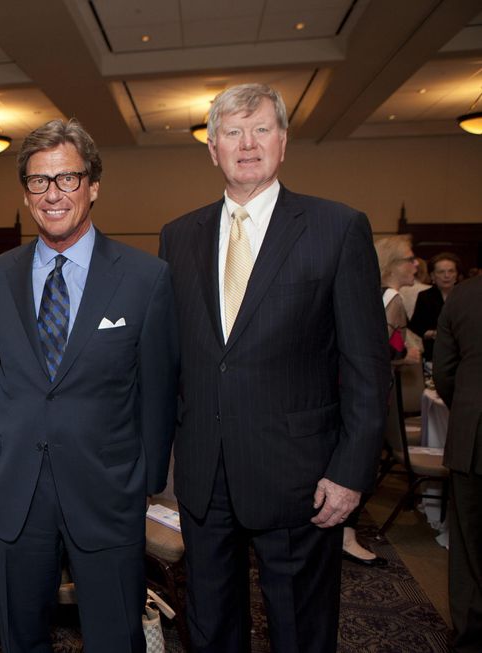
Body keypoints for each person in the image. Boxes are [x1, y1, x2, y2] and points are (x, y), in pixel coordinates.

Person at [158, 83, 390, 652]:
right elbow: (171, 361)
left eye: (261, 129)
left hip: (302, 478)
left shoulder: (337, 228)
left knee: (301, 632)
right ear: (212, 148)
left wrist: (352, 471)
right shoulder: (178, 236)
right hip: (204, 475)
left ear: (282, 142)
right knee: (210, 628)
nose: (247, 144)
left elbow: (367, 364)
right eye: (232, 133)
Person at [0, 118, 179, 651]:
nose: (53, 193)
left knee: (115, 635)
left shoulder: (145, 277)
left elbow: (158, 392)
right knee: (19, 635)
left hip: (107, 488)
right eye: (40, 181)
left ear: (93, 186)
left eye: (67, 178)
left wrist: (147, 480)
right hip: (17, 487)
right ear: (26, 194)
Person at [433, 275, 482, 653]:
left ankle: (471, 638)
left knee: (468, 547)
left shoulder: (465, 295)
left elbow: (445, 372)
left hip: (474, 436)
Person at [375, 235, 422, 367]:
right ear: (391, 265)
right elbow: (376, 346)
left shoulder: (376, 294)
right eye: (410, 259)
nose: (417, 263)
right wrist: (404, 355)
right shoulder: (392, 297)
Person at [409, 252, 461, 362]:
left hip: (461, 353)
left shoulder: (465, 295)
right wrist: (431, 333)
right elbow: (415, 325)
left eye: (451, 271)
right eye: (441, 272)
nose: (446, 276)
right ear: (433, 276)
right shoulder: (425, 296)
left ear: (456, 274)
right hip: (434, 354)